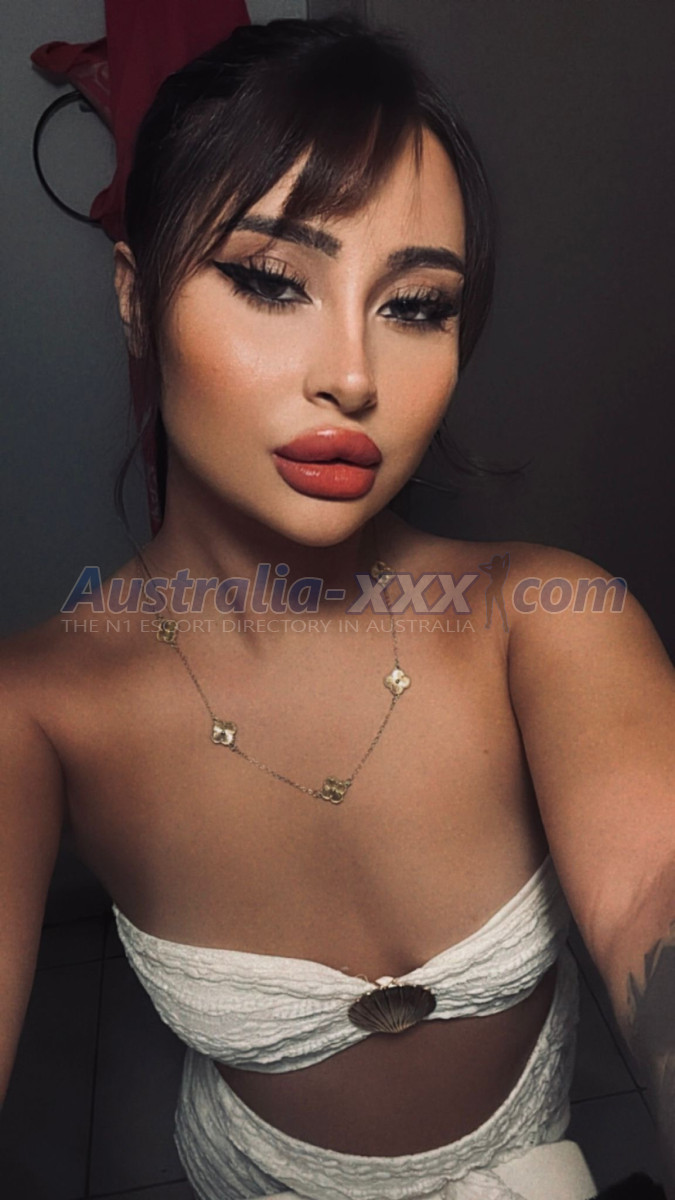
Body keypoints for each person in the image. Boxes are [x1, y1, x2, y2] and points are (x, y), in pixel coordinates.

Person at [2, 15, 673, 1200]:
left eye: (416, 306)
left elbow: (654, 886)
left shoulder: (549, 618)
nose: (354, 376)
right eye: (271, 281)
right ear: (136, 299)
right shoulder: (35, 712)